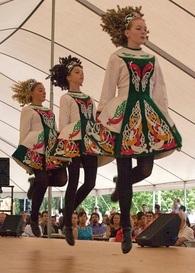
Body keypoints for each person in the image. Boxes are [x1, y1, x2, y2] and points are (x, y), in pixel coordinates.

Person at [86, 6, 182, 254]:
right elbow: (108, 89)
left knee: (146, 169)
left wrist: (164, 117)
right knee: (124, 167)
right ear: (126, 32)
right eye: (139, 28)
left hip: (147, 115)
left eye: (145, 28)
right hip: (122, 115)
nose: (144, 31)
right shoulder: (116, 57)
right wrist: (101, 116)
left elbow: (159, 91)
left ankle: (122, 184)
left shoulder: (152, 59)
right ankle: (127, 228)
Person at [49, 55, 98, 246]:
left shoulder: (89, 98)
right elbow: (64, 123)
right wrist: (64, 144)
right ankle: (68, 225)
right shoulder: (66, 97)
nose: (81, 74)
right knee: (74, 180)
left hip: (90, 141)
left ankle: (67, 213)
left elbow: (93, 120)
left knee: (91, 182)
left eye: (82, 72)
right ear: (68, 77)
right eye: (77, 72)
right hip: (74, 141)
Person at [12, 79, 68, 237]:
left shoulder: (49, 111)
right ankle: (33, 219)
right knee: (43, 182)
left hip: (51, 149)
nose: (44, 92)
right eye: (40, 90)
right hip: (36, 149)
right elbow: (24, 132)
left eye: (44, 90)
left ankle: (34, 183)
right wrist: (26, 158)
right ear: (31, 93)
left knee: (62, 179)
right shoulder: (27, 110)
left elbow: (54, 130)